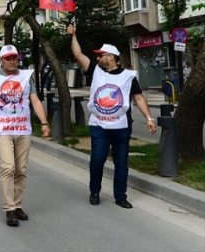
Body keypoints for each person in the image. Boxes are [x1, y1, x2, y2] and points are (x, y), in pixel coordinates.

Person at [68, 25, 158, 209]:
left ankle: (120, 196)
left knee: (121, 162)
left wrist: (149, 117)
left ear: (111, 56)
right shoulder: (95, 70)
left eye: (101, 55)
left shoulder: (128, 76)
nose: (97, 57)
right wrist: (74, 35)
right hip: (99, 125)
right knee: (98, 158)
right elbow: (78, 55)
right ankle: (94, 191)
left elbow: (138, 97)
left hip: (122, 125)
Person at [0, 44, 50, 227]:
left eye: (14, 58)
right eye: (8, 58)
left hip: (22, 130)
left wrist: (44, 123)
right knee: (8, 168)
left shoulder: (27, 77)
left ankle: (18, 205)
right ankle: (9, 208)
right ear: (0, 61)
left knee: (21, 170)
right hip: (2, 131)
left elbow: (34, 100)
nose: (12, 61)